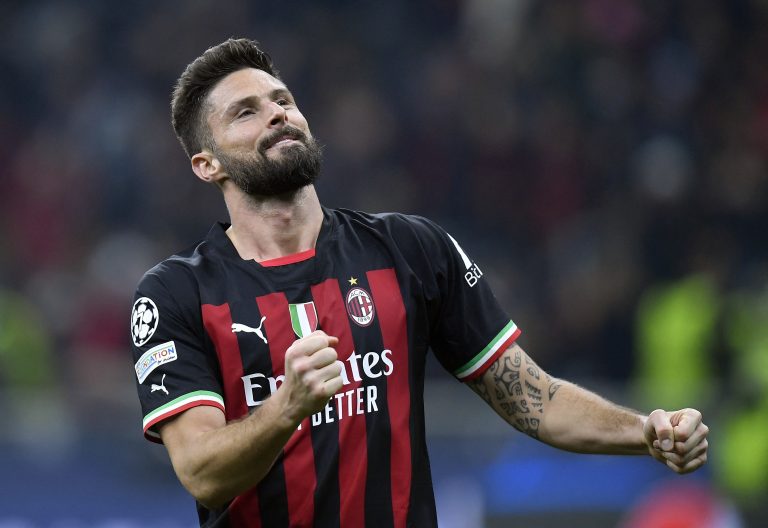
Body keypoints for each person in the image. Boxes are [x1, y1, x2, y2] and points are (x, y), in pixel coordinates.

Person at [129, 38, 709, 527]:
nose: (278, 113)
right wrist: (287, 407)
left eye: (283, 100)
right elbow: (202, 472)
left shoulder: (409, 249)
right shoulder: (177, 293)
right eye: (246, 111)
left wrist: (645, 431)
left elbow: (537, 399)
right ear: (209, 164)